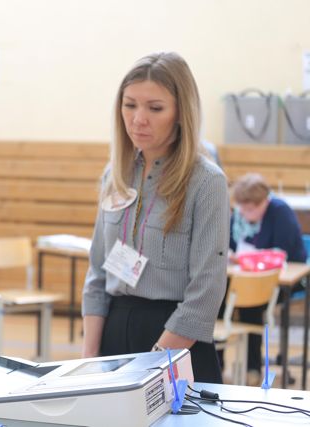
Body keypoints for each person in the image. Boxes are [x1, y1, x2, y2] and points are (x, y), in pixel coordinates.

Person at [81, 52, 230, 383]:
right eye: (129, 105)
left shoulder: (206, 182)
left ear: (181, 113)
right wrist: (90, 357)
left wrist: (154, 366)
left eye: (155, 108)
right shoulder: (115, 174)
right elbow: (97, 273)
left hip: (175, 342)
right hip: (113, 335)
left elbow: (206, 290)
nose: (138, 119)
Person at [228, 172, 307, 384]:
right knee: (219, 297)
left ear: (264, 201)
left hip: (283, 280)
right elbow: (229, 246)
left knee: (251, 304)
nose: (245, 213)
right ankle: (218, 364)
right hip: (245, 278)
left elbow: (284, 253)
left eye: (251, 208)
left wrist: (250, 259)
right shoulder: (238, 215)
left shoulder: (280, 212)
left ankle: (252, 368)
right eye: (242, 208)